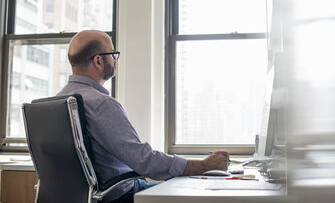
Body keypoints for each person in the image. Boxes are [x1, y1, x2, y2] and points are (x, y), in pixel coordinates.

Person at [57, 30, 229, 203]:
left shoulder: (55, 103)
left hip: (81, 197)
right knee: (189, 193)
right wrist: (203, 166)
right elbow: (145, 161)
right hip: (118, 196)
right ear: (98, 61)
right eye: (113, 54)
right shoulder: (101, 104)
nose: (115, 60)